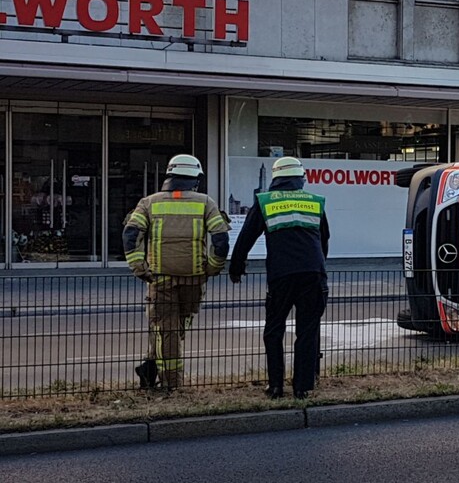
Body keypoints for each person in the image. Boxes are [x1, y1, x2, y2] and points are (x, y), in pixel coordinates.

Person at [122, 154, 230, 390]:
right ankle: (172, 384)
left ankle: (152, 370)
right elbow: (221, 240)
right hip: (194, 279)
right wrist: (212, 267)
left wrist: (139, 267)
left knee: (165, 330)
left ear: (169, 176)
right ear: (195, 179)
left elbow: (131, 235)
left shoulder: (149, 202)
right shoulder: (206, 202)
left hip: (159, 279)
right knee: (174, 330)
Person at [228, 157, 330, 400]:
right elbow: (324, 239)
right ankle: (303, 387)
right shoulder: (314, 201)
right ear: (300, 178)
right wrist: (319, 267)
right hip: (312, 273)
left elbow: (246, 238)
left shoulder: (264, 201)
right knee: (307, 330)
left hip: (281, 275)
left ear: (276, 178)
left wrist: (236, 267)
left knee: (274, 329)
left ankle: (275, 386)